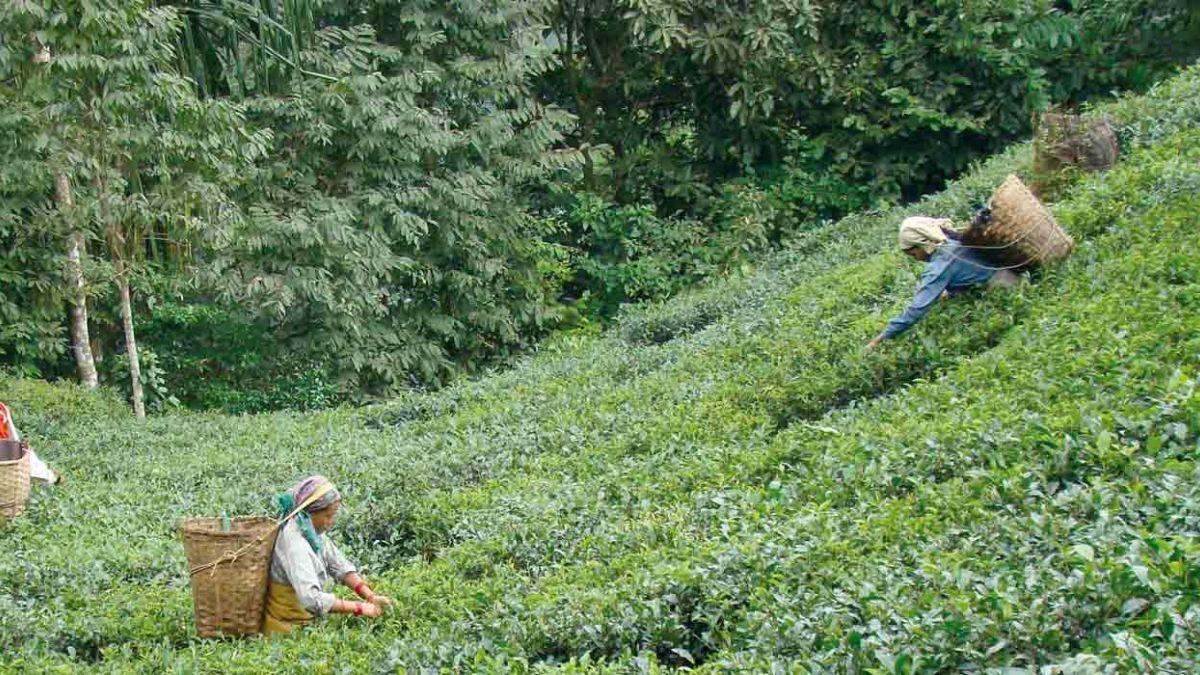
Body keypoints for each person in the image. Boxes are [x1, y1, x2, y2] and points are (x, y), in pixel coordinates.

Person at [262, 475, 393, 634]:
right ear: (310, 512)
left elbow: (338, 565)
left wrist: (369, 595)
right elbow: (311, 599)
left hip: (308, 625)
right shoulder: (295, 545)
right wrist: (360, 608)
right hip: (286, 631)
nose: (331, 521)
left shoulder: (309, 529)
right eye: (328, 516)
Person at [866, 216, 1019, 349]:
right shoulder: (952, 240)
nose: (917, 259)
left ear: (922, 245)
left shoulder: (938, 268)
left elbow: (916, 310)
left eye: (913, 254)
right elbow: (968, 271)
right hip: (1014, 274)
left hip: (1004, 289)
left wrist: (877, 341)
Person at [0, 402, 60, 484]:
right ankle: (46, 475)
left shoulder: (2, 410)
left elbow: (14, 440)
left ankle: (46, 475)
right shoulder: (2, 410)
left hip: (5, 455)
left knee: (27, 459)